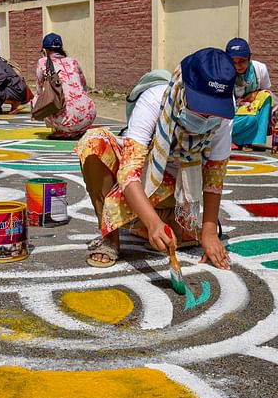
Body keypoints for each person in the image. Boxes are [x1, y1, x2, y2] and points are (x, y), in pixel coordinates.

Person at [76, 47, 235, 269]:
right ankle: (111, 236)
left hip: (178, 190)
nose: (207, 117)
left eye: (213, 110)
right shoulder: (154, 100)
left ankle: (156, 222)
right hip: (144, 178)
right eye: (201, 107)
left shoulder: (224, 115)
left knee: (173, 236)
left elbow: (214, 177)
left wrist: (209, 232)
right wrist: (153, 223)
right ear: (184, 87)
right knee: (94, 142)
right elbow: (129, 171)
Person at [33, 33, 96, 140]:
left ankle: (62, 130)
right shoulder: (73, 61)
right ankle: (77, 129)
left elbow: (39, 89)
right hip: (89, 116)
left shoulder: (43, 62)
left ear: (44, 50)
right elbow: (84, 86)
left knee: (38, 100)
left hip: (68, 120)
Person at [225, 37, 278, 151]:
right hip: (231, 113)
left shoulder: (259, 69)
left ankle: (256, 140)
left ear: (249, 58)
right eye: (233, 62)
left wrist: (255, 94)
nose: (238, 66)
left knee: (266, 96)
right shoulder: (223, 72)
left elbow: (265, 92)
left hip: (250, 108)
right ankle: (231, 139)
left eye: (242, 61)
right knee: (250, 120)